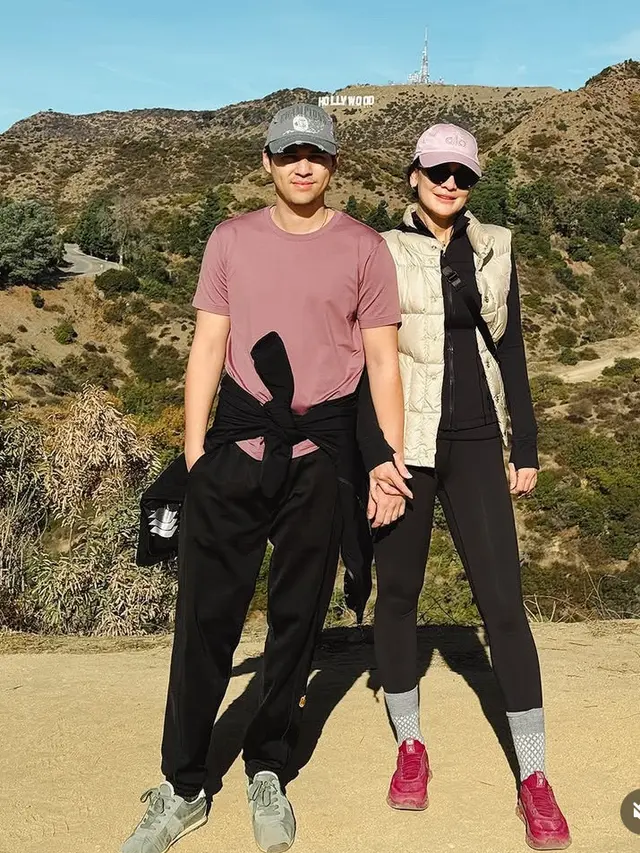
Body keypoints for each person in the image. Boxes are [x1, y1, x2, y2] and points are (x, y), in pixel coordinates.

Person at [122, 103, 410, 853]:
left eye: (316, 152)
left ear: (335, 164)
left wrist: (388, 458)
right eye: (289, 153)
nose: (303, 164)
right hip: (238, 449)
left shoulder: (364, 248)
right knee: (204, 625)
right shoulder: (231, 240)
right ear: (267, 162)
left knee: (297, 625)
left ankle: (269, 766)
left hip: (322, 459)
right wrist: (193, 459)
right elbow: (207, 348)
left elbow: (381, 361)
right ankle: (182, 784)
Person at [368, 123, 571, 850]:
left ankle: (536, 777)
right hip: (407, 444)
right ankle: (411, 746)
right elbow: (366, 356)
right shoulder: (381, 249)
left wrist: (528, 444)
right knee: (398, 595)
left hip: (479, 439)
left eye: (463, 174)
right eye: (438, 170)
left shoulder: (495, 246)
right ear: (413, 174)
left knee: (504, 605)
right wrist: (375, 455)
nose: (451, 183)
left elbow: (509, 345)